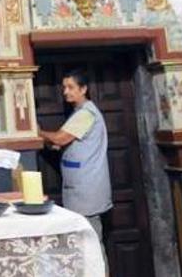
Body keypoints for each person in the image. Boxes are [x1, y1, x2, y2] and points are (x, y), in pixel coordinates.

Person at [39, 69, 112, 245]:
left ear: (83, 89)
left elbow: (60, 138)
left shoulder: (86, 114)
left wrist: (37, 131)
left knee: (91, 242)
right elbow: (66, 143)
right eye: (64, 88)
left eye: (71, 87)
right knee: (83, 242)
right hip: (82, 188)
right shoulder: (79, 113)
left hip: (87, 189)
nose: (65, 92)